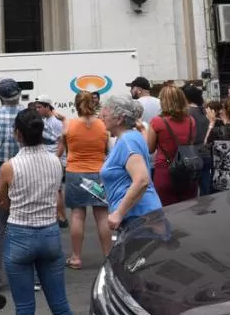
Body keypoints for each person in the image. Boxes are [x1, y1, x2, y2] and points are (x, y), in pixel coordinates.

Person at [0, 78, 58, 292]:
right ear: (19, 94)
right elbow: (49, 137)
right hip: (29, 178)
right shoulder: (30, 117)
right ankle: (37, 278)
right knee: (32, 227)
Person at [0, 109, 72, 315]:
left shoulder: (9, 167)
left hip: (20, 232)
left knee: (24, 308)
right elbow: (56, 192)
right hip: (50, 232)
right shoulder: (55, 162)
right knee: (60, 305)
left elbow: (2, 200)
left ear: (17, 134)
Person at [59, 91, 112, 269]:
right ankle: (108, 255)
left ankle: (76, 257)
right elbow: (106, 150)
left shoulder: (69, 125)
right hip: (98, 173)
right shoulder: (103, 126)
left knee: (77, 215)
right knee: (102, 216)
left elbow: (66, 148)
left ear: (76, 105)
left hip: (75, 173)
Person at [98, 95, 162, 232]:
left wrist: (119, 213)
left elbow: (142, 180)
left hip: (138, 216)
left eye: (105, 115)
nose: (101, 118)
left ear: (119, 119)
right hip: (140, 214)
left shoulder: (127, 141)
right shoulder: (129, 137)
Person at [147, 85, 198, 206]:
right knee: (188, 209)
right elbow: (190, 142)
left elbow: (150, 148)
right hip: (188, 171)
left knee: (167, 212)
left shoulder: (157, 121)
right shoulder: (191, 120)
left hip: (165, 171)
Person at [34, 96, 68, 228]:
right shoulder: (45, 120)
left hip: (55, 159)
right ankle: (56, 217)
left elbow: (62, 142)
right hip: (50, 158)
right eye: (36, 107)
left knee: (56, 190)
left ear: (48, 107)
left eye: (39, 107)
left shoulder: (55, 122)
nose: (37, 110)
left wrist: (55, 158)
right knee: (52, 189)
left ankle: (62, 217)